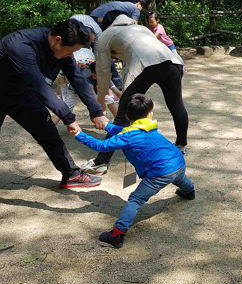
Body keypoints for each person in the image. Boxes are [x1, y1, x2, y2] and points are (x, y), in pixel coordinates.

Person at [72, 94, 195, 248]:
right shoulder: (149, 125)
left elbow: (101, 146)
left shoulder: (128, 136)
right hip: (178, 162)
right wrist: (107, 125)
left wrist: (79, 134)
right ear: (149, 114)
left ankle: (117, 234)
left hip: (159, 174)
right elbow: (126, 131)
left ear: (126, 115)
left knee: (135, 200)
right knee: (179, 178)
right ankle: (189, 191)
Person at [0, 19, 108, 188]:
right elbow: (40, 87)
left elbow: (77, 78)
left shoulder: (62, 48)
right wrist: (69, 118)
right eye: (72, 51)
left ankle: (71, 174)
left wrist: (96, 111)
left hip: (20, 93)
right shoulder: (21, 46)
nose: (71, 55)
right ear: (58, 39)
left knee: (47, 130)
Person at [81, 14, 188, 175]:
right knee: (176, 105)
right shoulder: (141, 28)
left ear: (108, 25)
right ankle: (181, 145)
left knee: (122, 114)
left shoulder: (106, 35)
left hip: (145, 66)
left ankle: (101, 162)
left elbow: (102, 72)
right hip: (172, 63)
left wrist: (101, 98)